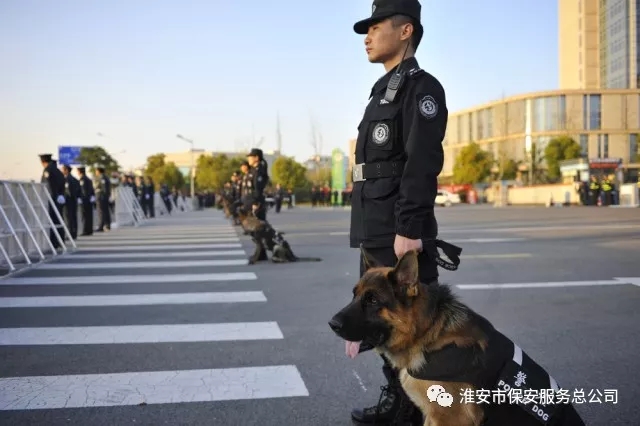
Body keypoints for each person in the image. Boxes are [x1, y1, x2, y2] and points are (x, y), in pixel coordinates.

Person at [348, 0, 456, 424]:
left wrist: (410, 227)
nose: (368, 36)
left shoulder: (421, 88)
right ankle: (400, 401)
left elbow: (422, 161)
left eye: (376, 26)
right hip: (374, 225)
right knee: (382, 322)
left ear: (406, 30)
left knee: (417, 328)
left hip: (398, 229)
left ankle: (420, 409)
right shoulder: (382, 91)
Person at [39, 154, 67, 248]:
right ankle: (60, 240)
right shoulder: (57, 170)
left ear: (43, 162)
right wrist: (61, 193)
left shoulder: (48, 170)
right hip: (58, 198)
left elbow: (48, 184)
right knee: (58, 219)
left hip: (51, 198)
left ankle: (54, 242)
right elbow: (62, 181)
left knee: (52, 220)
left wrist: (50, 195)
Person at [244, 148, 269, 221]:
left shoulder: (259, 171)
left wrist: (255, 203)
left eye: (250, 157)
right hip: (250, 201)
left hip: (256, 203)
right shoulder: (253, 170)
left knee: (259, 224)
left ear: (256, 158)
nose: (248, 159)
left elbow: (258, 189)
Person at [76, 166, 95, 236]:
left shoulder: (82, 179)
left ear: (80, 171)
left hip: (84, 200)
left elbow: (83, 190)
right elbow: (92, 189)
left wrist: (80, 198)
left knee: (84, 216)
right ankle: (89, 230)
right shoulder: (88, 179)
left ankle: (85, 230)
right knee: (89, 216)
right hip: (89, 199)